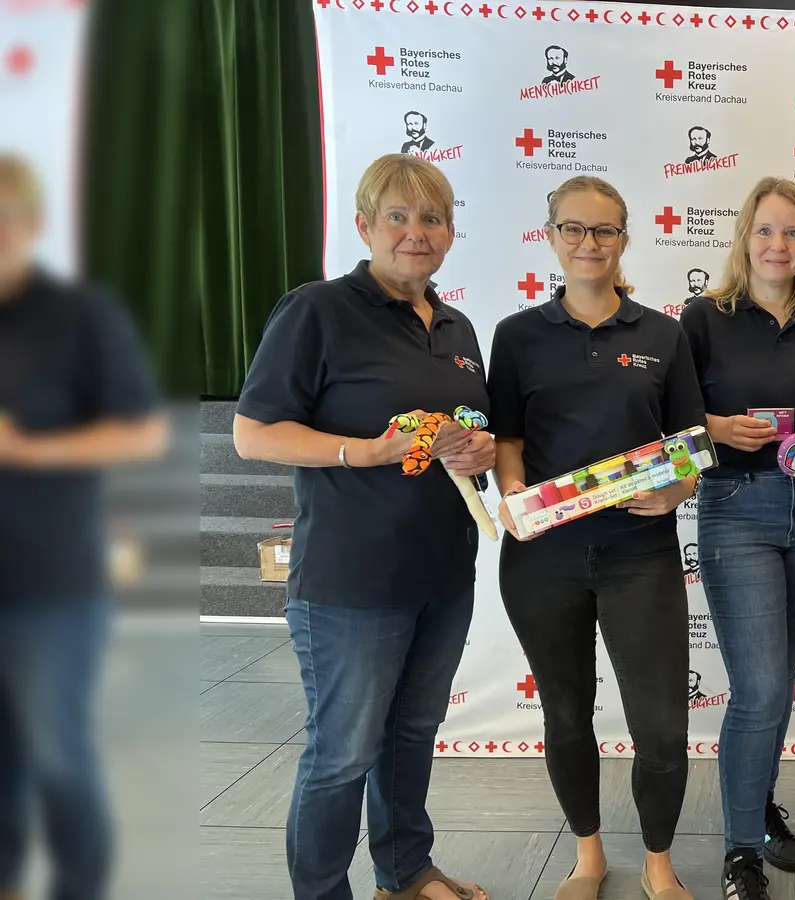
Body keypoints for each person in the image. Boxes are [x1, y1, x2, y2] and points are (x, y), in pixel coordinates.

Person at [233, 154, 496, 900]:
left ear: (450, 233)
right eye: (399, 217)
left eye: (433, 218)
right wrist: (364, 451)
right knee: (343, 754)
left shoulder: (456, 324)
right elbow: (253, 433)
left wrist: (474, 447)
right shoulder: (316, 310)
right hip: (351, 581)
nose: (417, 232)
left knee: (409, 739)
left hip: (443, 574)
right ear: (364, 226)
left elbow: (468, 432)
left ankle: (405, 872)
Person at [489, 175, 703, 900]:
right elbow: (508, 439)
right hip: (542, 558)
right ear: (551, 236)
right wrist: (513, 493)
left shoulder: (662, 335)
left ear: (624, 239)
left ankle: (659, 861)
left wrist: (676, 488)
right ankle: (588, 856)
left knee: (663, 729)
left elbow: (690, 448)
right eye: (574, 229)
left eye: (604, 231)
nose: (589, 243)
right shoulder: (516, 336)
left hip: (638, 555)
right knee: (565, 713)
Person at [678, 176, 795, 900]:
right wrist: (718, 430)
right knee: (757, 688)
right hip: (736, 507)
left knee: (776, 682)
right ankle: (739, 849)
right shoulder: (703, 317)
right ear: (744, 239)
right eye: (765, 231)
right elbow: (672, 421)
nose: (778, 245)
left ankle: (756, 806)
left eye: (792, 232)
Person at [0, 155, 168, 900]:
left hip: (51, 583)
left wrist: (29, 449)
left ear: (31, 226)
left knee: (57, 754)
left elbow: (142, 434)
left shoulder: (79, 315)